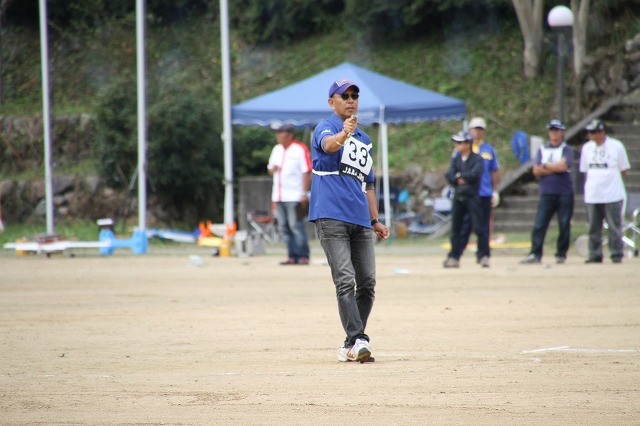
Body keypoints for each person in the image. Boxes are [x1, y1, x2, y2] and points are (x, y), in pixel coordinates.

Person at [309, 78, 390, 362]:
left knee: (367, 283)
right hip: (331, 216)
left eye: (354, 95)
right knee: (345, 280)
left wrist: (375, 219)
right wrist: (344, 133)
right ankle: (358, 339)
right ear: (331, 102)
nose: (351, 100)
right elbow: (329, 146)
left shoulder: (364, 139)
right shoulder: (325, 127)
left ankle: (350, 344)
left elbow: (368, 183)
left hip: (360, 219)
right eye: (344, 96)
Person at [520, 119, 574, 265]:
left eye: (556, 130)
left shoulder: (566, 149)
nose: (554, 133)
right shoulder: (543, 149)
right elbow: (536, 170)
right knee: (540, 224)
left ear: (562, 132)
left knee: (564, 224)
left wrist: (545, 166)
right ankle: (535, 253)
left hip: (564, 192)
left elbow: (564, 166)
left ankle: (561, 253)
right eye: (551, 130)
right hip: (547, 192)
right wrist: (553, 167)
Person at [579, 119, 631, 264]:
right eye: (589, 132)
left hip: (612, 194)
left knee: (614, 225)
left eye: (593, 132)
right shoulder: (587, 148)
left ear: (601, 132)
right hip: (593, 194)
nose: (590, 135)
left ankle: (616, 253)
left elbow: (624, 169)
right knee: (593, 226)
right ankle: (594, 254)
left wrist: (610, 180)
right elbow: (585, 170)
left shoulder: (616, 146)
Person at [454, 117, 499, 268]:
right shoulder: (462, 147)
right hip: (467, 194)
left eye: (480, 129)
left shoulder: (488, 149)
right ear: (470, 130)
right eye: (475, 129)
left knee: (483, 227)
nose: (477, 132)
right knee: (463, 227)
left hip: (484, 192)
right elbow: (454, 169)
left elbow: (493, 171)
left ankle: (483, 255)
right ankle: (456, 255)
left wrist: (494, 190)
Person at [267, 124, 312, 265]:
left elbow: (307, 171)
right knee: (284, 227)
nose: (278, 136)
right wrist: (274, 168)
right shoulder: (276, 149)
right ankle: (292, 255)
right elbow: (270, 170)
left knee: (296, 226)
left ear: (290, 135)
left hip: (295, 196)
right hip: (279, 196)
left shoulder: (300, 149)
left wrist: (304, 193)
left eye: (281, 133)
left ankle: (303, 255)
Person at [443, 132, 488, 268]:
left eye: (460, 143)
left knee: (479, 227)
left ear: (468, 144)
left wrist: (460, 176)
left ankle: (483, 255)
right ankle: (454, 256)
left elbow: (475, 175)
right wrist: (461, 178)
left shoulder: (477, 158)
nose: (457, 145)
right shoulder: (456, 159)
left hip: (472, 197)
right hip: (458, 196)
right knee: (456, 229)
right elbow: (450, 175)